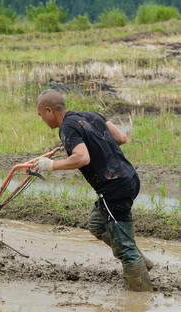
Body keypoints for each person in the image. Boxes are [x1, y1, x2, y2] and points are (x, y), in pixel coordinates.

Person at [32, 89, 153, 292]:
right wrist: (88, 142)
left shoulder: (67, 128)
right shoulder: (90, 115)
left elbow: (82, 158)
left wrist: (50, 165)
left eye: (40, 115)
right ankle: (140, 261)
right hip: (130, 178)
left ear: (49, 110)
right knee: (97, 225)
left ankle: (142, 296)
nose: (42, 119)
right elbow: (121, 138)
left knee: (125, 249)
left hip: (112, 187)